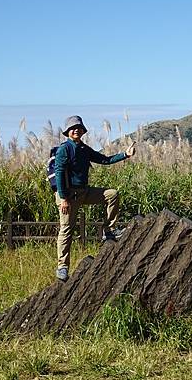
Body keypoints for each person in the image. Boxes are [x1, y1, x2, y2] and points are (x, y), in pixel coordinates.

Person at [54, 115, 136, 282]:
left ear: (83, 131)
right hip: (68, 196)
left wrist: (125, 155)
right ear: (68, 132)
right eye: (72, 128)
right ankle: (62, 266)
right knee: (67, 230)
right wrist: (63, 198)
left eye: (79, 127)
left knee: (112, 194)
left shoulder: (83, 149)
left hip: (84, 192)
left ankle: (109, 231)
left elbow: (104, 160)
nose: (76, 130)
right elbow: (59, 173)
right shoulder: (65, 149)